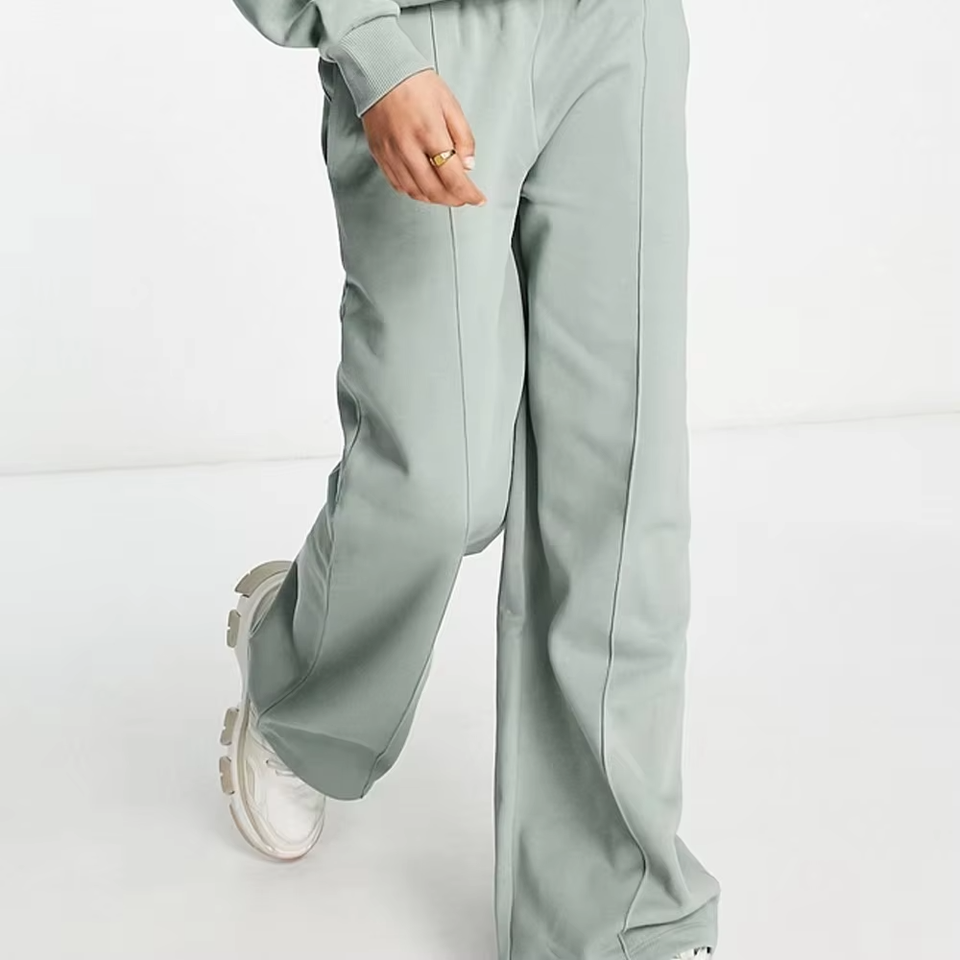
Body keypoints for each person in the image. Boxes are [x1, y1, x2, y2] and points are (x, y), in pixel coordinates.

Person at [219, 1, 722, 958]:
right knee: (437, 485)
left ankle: (616, 917)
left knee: (620, 494)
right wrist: (370, 43)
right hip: (429, 34)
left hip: (617, 27)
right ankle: (299, 689)